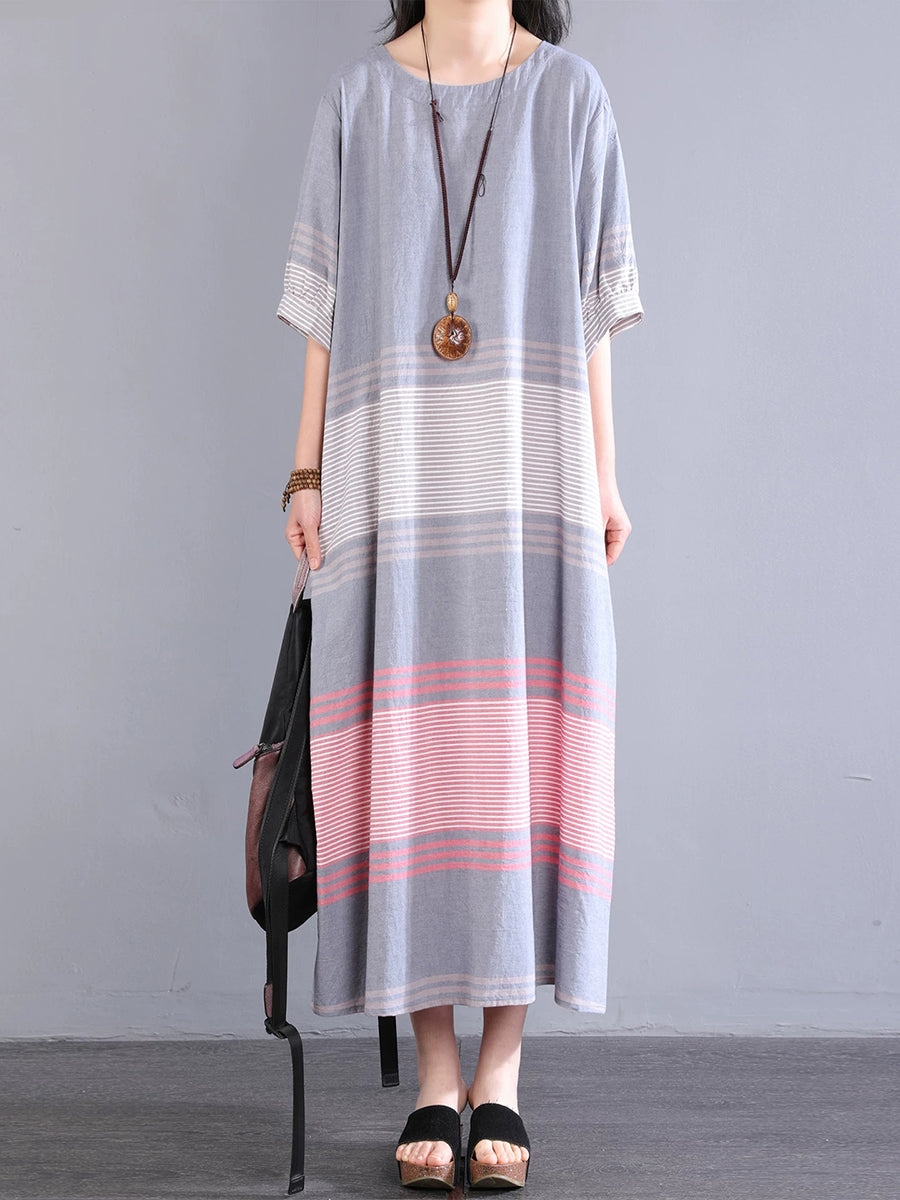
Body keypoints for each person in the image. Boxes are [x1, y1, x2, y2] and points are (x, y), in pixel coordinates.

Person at [276, 0, 644, 1188]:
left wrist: (605, 472)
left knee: (518, 754)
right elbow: (323, 306)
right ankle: (436, 1072)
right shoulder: (358, 100)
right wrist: (305, 471)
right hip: (392, 471)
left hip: (534, 464)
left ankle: (503, 1075)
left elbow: (593, 308)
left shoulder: (572, 96)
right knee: (409, 754)